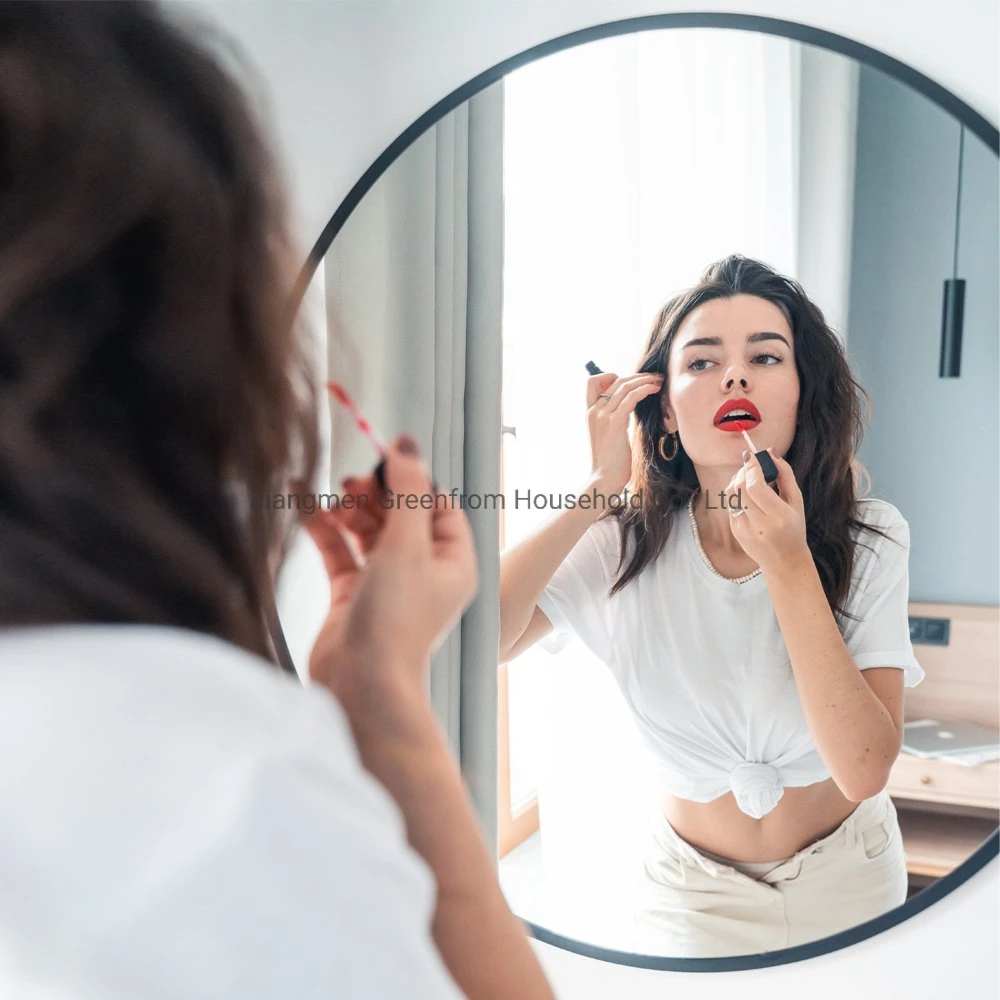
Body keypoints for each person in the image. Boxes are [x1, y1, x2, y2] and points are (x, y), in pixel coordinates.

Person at [0, 3, 555, 998]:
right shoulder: (211, 786)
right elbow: (509, 630)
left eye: (764, 354)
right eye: (703, 354)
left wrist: (374, 689)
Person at [499, 254, 925, 958]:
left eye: (765, 356)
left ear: (799, 394)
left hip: (851, 881)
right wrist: (599, 490)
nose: (735, 375)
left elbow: (862, 768)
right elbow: (480, 639)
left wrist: (787, 563)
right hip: (690, 898)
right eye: (702, 363)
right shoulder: (618, 545)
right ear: (664, 407)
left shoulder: (873, 536)